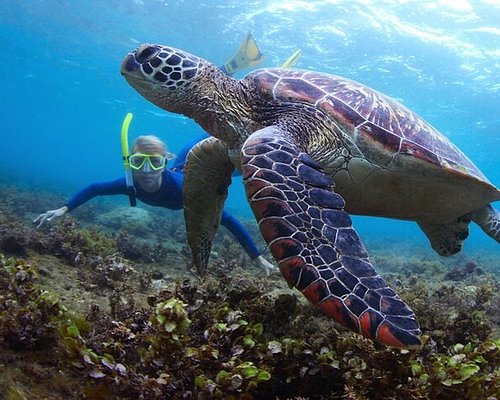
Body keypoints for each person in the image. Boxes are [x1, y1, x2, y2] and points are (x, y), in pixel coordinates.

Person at [34, 134, 275, 274]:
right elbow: (95, 189)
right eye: (139, 163)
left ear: (163, 163)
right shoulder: (130, 184)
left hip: (197, 169)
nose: (147, 171)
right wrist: (64, 209)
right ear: (130, 163)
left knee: (234, 152)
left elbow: (227, 219)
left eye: (155, 162)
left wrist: (256, 257)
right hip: (181, 163)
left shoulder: (184, 191)